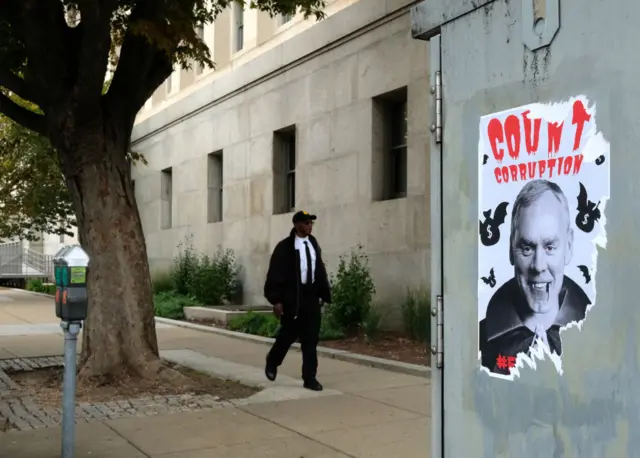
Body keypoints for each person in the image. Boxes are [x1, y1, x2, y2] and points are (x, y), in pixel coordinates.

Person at [479, 179, 590, 375]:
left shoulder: (594, 335)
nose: (538, 266)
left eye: (549, 247)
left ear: (569, 246)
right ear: (511, 249)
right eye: (527, 248)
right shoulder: (481, 338)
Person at [263, 210, 332, 391]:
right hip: (293, 297)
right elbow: (274, 274)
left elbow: (318, 269)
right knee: (287, 336)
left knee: (311, 340)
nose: (310, 226)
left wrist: (323, 293)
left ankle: (310, 378)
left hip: (311, 296)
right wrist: (276, 301)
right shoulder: (284, 247)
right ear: (297, 225)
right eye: (307, 223)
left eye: (311, 223)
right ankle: (272, 360)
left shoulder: (313, 243)